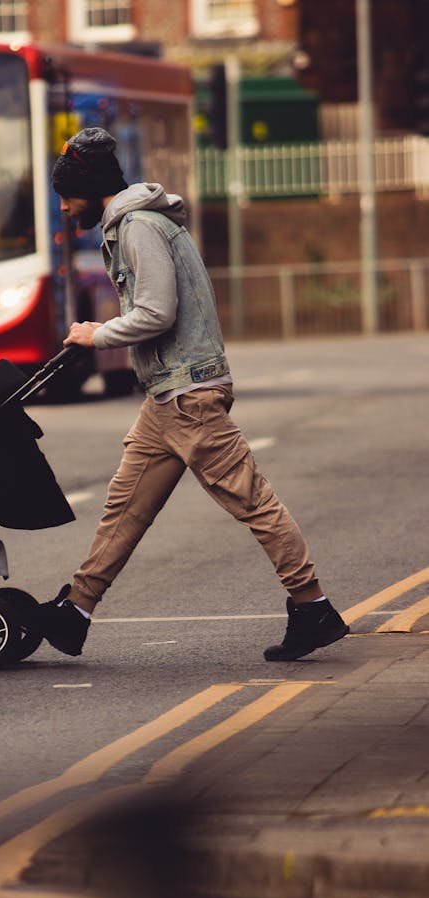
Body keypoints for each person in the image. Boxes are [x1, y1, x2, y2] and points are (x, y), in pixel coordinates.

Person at [37, 127, 349, 663]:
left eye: (66, 195)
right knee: (125, 507)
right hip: (167, 397)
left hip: (188, 395)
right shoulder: (137, 222)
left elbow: (157, 311)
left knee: (253, 502)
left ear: (89, 188)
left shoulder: (138, 228)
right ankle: (77, 611)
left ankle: (313, 606)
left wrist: (98, 334)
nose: (63, 208)